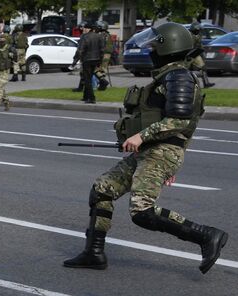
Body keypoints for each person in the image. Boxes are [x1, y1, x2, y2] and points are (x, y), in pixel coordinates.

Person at [63, 22, 228, 274]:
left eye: (153, 46)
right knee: (102, 189)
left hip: (160, 151)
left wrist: (143, 139)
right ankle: (94, 253)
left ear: (167, 48)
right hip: (152, 151)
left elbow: (181, 121)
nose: (150, 51)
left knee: (142, 211)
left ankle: (206, 236)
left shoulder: (180, 77)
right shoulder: (168, 76)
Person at [76, 22, 103, 104]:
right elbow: (102, 49)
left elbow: (81, 49)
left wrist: (79, 59)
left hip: (87, 60)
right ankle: (85, 96)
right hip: (96, 60)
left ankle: (91, 98)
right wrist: (100, 61)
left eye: (85, 28)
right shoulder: (99, 36)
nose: (83, 29)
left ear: (88, 29)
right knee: (89, 77)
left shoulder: (85, 37)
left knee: (87, 79)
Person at [189, 21, 215, 88]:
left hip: (195, 53)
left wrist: (202, 51)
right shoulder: (189, 35)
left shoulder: (198, 35)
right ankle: (191, 82)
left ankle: (206, 83)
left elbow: (200, 45)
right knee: (186, 69)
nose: (199, 31)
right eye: (198, 30)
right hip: (190, 53)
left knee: (203, 68)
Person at [93, 21, 111, 91]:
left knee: (94, 69)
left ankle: (102, 81)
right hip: (107, 54)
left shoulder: (101, 35)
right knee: (103, 70)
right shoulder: (107, 35)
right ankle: (102, 85)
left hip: (102, 54)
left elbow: (100, 46)